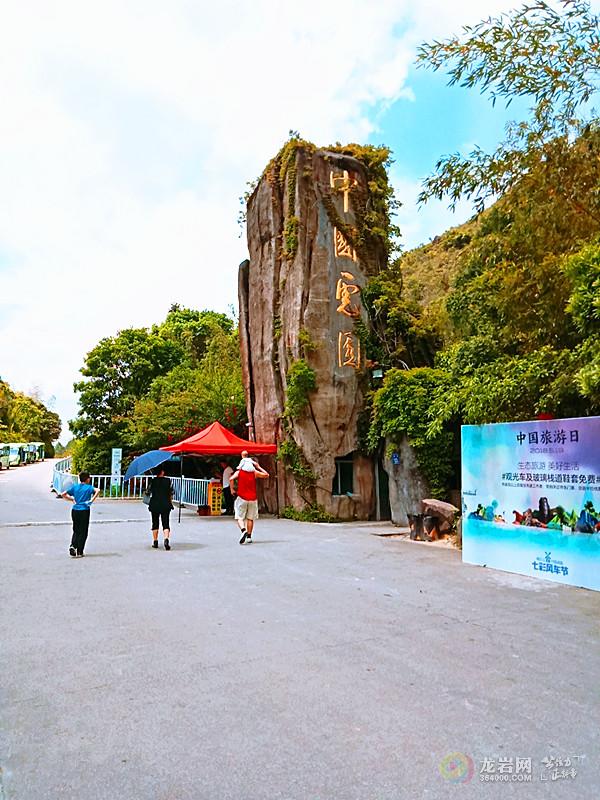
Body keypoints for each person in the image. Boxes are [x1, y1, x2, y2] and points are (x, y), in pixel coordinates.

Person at [229, 456, 269, 544]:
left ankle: (243, 530)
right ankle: (249, 537)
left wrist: (232, 489)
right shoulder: (254, 473)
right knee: (250, 518)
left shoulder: (239, 472)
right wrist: (258, 467)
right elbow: (266, 475)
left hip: (242, 498)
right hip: (253, 499)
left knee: (239, 517)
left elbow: (231, 479)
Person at [61, 471, 100, 558]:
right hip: (84, 510)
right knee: (83, 531)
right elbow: (98, 490)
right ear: (87, 479)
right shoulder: (89, 488)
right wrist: (91, 500)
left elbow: (63, 494)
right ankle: (80, 551)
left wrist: (71, 499)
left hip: (75, 510)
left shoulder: (75, 487)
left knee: (76, 529)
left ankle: (73, 545)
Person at [148, 467, 173, 549]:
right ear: (162, 472)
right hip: (165, 504)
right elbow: (171, 492)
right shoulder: (168, 481)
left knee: (155, 523)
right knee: (165, 523)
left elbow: (148, 492)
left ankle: (155, 541)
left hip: (155, 505)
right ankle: (166, 539)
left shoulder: (152, 481)